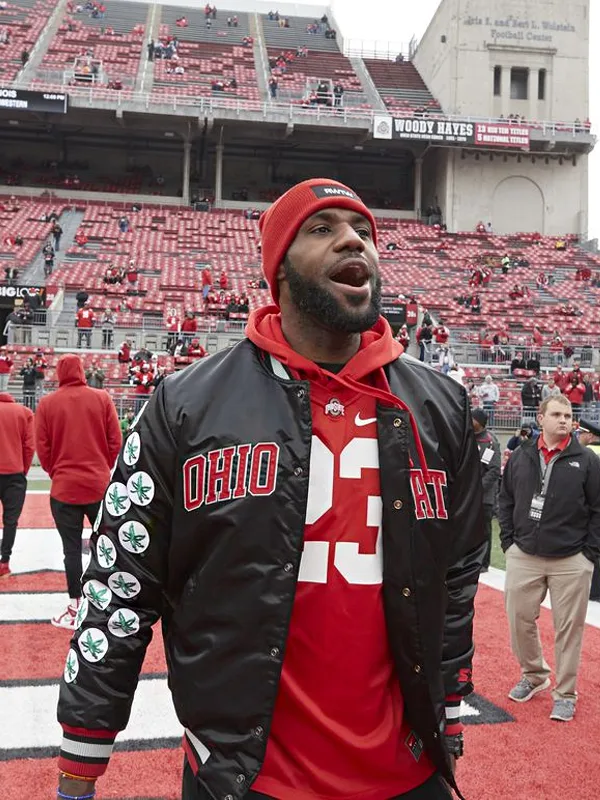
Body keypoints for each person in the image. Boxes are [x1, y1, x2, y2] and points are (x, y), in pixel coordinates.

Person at [56, 178, 485, 800]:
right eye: (323, 229)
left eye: (363, 230)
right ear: (278, 267)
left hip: (408, 774)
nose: (353, 241)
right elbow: (122, 578)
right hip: (243, 776)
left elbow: (459, 566)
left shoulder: (440, 404)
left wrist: (446, 695)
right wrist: (82, 757)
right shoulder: (186, 405)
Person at [499, 395, 600, 722]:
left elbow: (598, 509)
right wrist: (508, 542)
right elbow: (506, 498)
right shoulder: (520, 456)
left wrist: (589, 554)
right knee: (519, 620)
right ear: (540, 418)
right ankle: (534, 675)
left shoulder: (586, 459)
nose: (565, 420)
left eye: (569, 415)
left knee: (568, 630)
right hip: (524, 554)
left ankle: (566, 693)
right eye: (556, 414)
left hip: (571, 558)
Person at [35, 354, 121, 629]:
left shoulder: (47, 404)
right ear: (83, 371)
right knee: (106, 547)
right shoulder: (102, 398)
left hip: (64, 489)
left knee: (70, 551)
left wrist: (57, 473)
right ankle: (109, 601)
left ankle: (75, 604)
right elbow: (115, 441)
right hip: (97, 485)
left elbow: (43, 448)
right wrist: (100, 468)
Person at [0, 390, 34, 577]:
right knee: (10, 521)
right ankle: (4, 562)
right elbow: (29, 447)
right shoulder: (25, 413)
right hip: (14, 474)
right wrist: (23, 469)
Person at [471, 408, 501, 572]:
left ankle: (483, 563)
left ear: (480, 423)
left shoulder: (490, 442)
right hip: (468, 495)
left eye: (473, 419)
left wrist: (478, 488)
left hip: (484, 496)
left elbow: (494, 470)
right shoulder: (467, 438)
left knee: (484, 530)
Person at [578, 419, 600, 602]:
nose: (578, 436)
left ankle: (594, 591)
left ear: (590, 435)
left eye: (581, 433)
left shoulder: (587, 453)